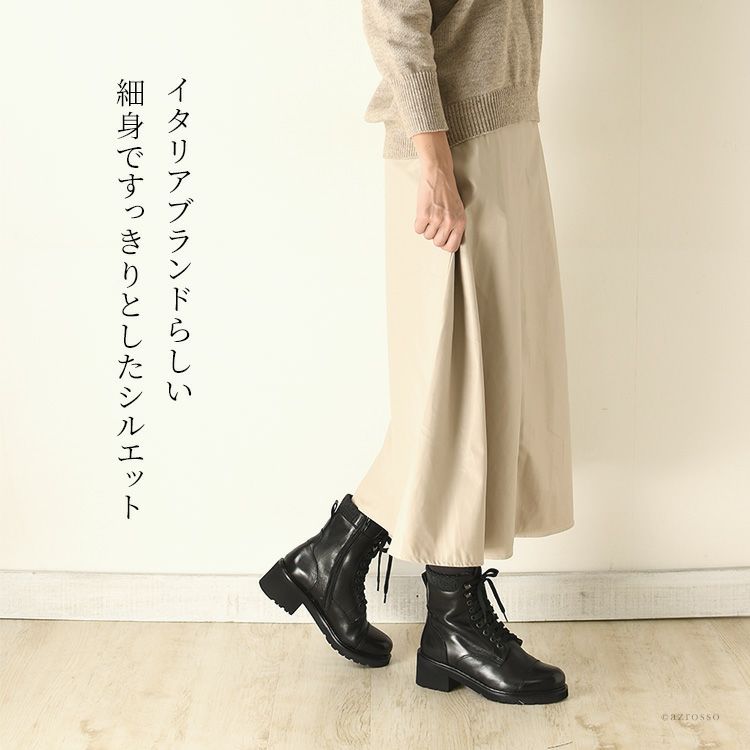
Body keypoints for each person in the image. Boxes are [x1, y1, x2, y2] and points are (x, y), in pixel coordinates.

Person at [260, 0, 574, 705]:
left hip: (504, 127)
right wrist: (435, 164)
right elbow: (394, 18)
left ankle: (336, 560)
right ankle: (451, 620)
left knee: (487, 382)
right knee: (458, 388)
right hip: (450, 146)